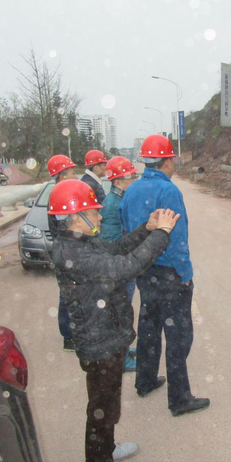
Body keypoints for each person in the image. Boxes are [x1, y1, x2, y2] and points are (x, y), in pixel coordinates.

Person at [50, 178, 179, 462]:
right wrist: (162, 234)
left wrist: (146, 229)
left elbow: (117, 249)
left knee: (105, 405)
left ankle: (106, 449)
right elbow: (126, 266)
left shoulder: (80, 243)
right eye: (94, 212)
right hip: (100, 344)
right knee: (102, 409)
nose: (99, 217)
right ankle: (100, 457)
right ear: (76, 218)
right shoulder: (74, 254)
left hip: (105, 338)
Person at [119, 134, 210, 417]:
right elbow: (177, 238)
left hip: (145, 271)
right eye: (173, 158)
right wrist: (185, 273)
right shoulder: (169, 191)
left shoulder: (132, 189)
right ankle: (179, 398)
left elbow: (126, 227)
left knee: (149, 327)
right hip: (170, 274)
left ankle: (145, 381)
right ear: (167, 161)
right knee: (178, 336)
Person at [100, 156, 139, 372]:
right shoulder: (111, 205)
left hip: (124, 266)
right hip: (119, 270)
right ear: (117, 181)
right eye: (130, 177)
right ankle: (121, 358)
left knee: (124, 311)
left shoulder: (120, 199)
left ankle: (124, 350)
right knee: (120, 314)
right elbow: (113, 244)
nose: (133, 180)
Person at [47, 154, 78, 351]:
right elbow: (64, 227)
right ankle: (68, 336)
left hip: (65, 248)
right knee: (67, 295)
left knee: (70, 293)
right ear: (61, 175)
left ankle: (71, 332)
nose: (75, 175)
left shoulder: (61, 192)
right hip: (65, 250)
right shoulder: (59, 195)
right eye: (72, 172)